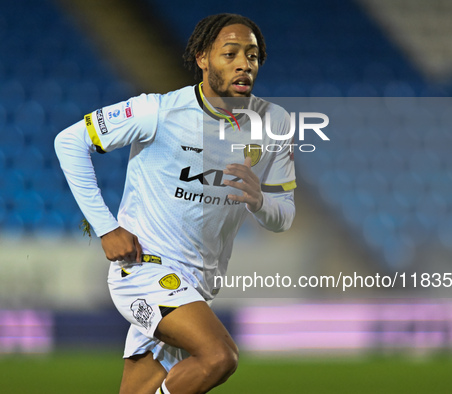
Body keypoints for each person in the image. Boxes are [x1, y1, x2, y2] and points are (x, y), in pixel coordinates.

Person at [55, 13, 296, 394]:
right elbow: (69, 142)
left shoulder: (274, 123)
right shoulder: (159, 110)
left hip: (197, 285)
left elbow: (283, 216)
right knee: (219, 356)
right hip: (144, 271)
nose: (243, 64)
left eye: (252, 55)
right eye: (229, 53)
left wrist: (259, 199)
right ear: (202, 58)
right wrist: (106, 227)